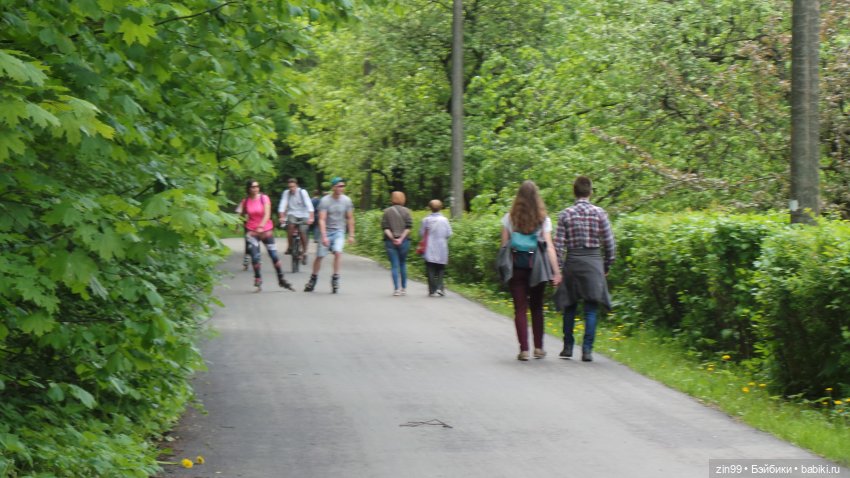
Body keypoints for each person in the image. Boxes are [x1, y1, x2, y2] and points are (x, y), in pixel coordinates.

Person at [553, 175, 616, 362]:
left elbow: (558, 245)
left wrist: (559, 268)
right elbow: (609, 243)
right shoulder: (600, 213)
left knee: (569, 306)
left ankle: (568, 347)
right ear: (590, 192)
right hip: (594, 263)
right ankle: (587, 350)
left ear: (574, 191)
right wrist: (607, 265)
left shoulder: (565, 214)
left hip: (572, 262)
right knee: (591, 308)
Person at [501, 180, 561, 361]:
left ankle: (524, 350)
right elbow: (549, 247)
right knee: (537, 307)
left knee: (520, 308)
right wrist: (556, 272)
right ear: (537, 198)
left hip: (516, 267)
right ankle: (539, 348)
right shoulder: (543, 220)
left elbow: (504, 246)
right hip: (537, 267)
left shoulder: (509, 218)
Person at [239, 180, 293, 291]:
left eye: (257, 186)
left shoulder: (264, 198)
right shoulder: (246, 201)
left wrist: (261, 226)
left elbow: (267, 214)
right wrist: (240, 223)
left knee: (273, 255)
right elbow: (241, 213)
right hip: (252, 231)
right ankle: (258, 278)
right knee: (255, 257)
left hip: (265, 230)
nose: (256, 189)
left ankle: (281, 278)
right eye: (253, 187)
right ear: (248, 189)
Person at [304, 177, 355, 293]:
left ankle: (335, 278)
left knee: (338, 252)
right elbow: (322, 219)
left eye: (343, 186)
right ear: (333, 187)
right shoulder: (325, 201)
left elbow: (350, 218)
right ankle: (313, 279)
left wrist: (351, 235)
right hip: (326, 231)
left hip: (339, 231)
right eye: (339, 186)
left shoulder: (347, 200)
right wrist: (324, 236)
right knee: (320, 256)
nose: (341, 188)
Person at [381, 191, 413, 296]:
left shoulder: (386, 212)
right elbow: (409, 227)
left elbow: (385, 228)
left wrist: (393, 238)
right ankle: (403, 288)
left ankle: (396, 289)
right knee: (402, 264)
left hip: (390, 242)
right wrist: (401, 238)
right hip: (404, 241)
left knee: (394, 265)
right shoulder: (407, 211)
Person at [278, 178, 314, 265]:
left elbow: (309, 204)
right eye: (290, 187)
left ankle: (305, 252)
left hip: (304, 214)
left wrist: (311, 217)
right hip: (292, 213)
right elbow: (282, 205)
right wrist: (281, 217)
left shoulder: (302, 192)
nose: (292, 189)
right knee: (290, 226)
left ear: (296, 186)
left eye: (293, 186)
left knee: (302, 231)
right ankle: (290, 247)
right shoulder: (286, 193)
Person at [420, 199, 452, 297]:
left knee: (430, 269)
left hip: (429, 247)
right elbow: (449, 233)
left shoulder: (426, 220)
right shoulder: (444, 220)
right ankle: (440, 288)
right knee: (441, 268)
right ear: (441, 207)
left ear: (430, 208)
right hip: (442, 247)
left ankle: (432, 290)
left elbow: (421, 233)